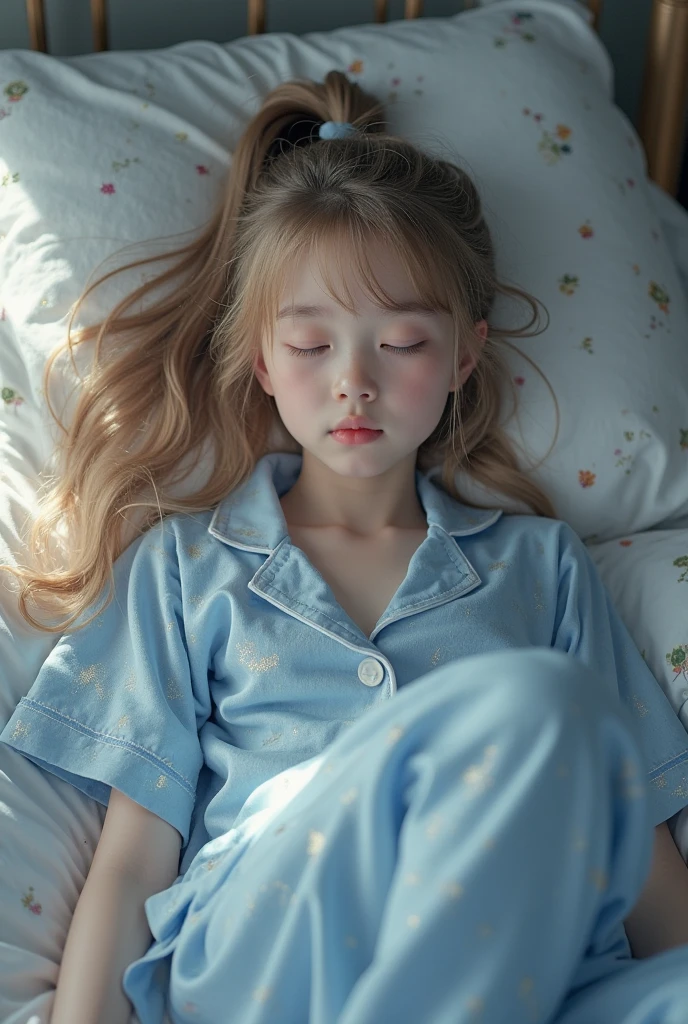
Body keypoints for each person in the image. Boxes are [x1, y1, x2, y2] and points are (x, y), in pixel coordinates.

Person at [1, 70, 688, 1024]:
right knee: (544, 706)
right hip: (271, 939)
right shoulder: (186, 569)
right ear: (262, 363)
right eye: (313, 346)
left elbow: (642, 844)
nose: (355, 383)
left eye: (401, 342)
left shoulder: (542, 566)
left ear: (463, 355)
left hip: (522, 957)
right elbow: (129, 863)